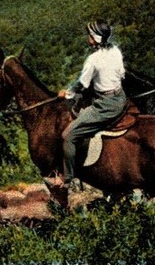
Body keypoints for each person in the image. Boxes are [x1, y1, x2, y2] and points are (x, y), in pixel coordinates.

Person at [53, 19, 127, 189]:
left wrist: (67, 93)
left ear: (95, 38)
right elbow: (121, 74)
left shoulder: (93, 59)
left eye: (90, 35)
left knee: (68, 136)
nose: (88, 38)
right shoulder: (115, 50)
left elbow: (82, 85)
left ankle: (68, 179)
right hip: (120, 97)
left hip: (105, 105)